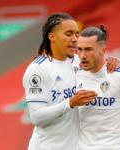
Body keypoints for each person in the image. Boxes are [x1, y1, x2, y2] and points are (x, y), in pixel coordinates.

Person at [23, 13, 98, 150]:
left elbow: (100, 67)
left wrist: (112, 62)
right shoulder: (38, 69)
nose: (75, 39)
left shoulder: (77, 61)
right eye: (68, 34)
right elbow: (37, 117)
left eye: (77, 34)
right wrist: (71, 103)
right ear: (52, 37)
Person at [76, 25, 120, 150]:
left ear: (103, 50)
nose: (83, 55)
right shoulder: (74, 75)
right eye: (79, 49)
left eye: (89, 49)